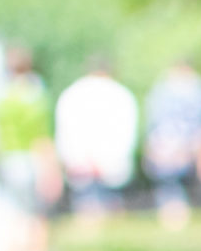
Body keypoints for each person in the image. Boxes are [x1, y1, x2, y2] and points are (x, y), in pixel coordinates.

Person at [0, 48, 60, 251]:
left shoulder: (1, 96)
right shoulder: (34, 95)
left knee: (12, 217)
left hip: (7, 162)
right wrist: (51, 170)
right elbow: (42, 136)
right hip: (30, 161)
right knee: (36, 218)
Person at [55, 58, 139, 219]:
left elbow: (65, 132)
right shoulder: (121, 94)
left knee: (86, 211)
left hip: (80, 164)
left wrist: (76, 159)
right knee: (113, 212)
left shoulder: (72, 93)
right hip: (112, 165)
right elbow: (127, 133)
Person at [142, 60, 201, 229]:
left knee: (170, 188)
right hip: (193, 146)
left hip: (168, 146)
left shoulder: (163, 88)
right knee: (185, 189)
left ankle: (174, 224)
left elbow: (153, 122)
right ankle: (180, 223)